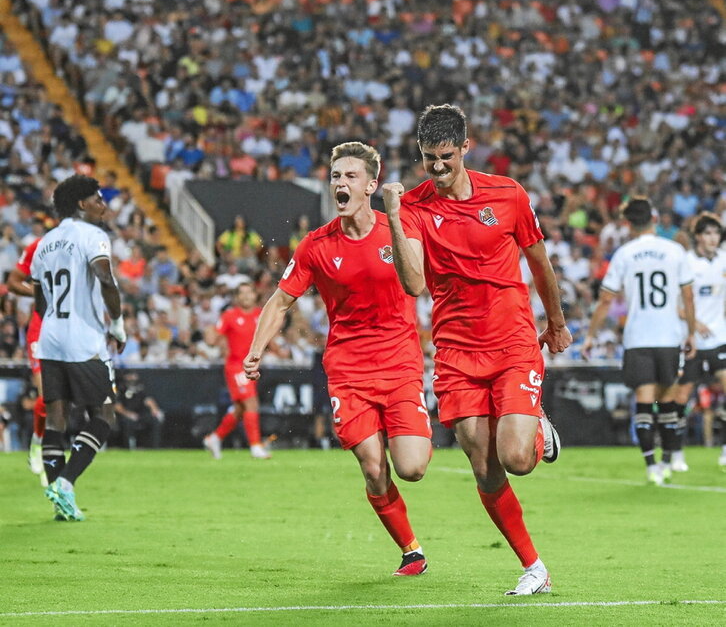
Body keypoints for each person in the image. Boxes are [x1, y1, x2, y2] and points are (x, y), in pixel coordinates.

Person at [382, 104, 571, 595]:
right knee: (484, 466)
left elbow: (539, 261)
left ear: (466, 148)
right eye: (428, 159)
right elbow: (414, 282)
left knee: (516, 459)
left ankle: (535, 427)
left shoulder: (507, 195)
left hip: (511, 342)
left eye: (446, 156)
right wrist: (398, 219)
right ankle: (535, 567)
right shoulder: (418, 207)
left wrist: (556, 322)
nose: (438, 167)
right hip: (456, 354)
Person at [244, 141, 432, 576]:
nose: (340, 183)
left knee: (412, 467)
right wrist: (257, 351)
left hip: (400, 363)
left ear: (371, 185)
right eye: (335, 176)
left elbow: (417, 284)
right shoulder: (315, 246)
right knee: (372, 466)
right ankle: (411, 550)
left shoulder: (398, 230)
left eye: (350, 176)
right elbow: (279, 302)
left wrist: (399, 218)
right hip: (348, 371)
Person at [30, 174, 127, 521]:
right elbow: (104, 278)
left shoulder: (45, 243)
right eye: (99, 199)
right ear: (82, 204)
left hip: (51, 336)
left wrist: (56, 319)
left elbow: (40, 300)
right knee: (103, 415)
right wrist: (116, 323)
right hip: (83, 339)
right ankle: (67, 483)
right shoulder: (93, 236)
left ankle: (60, 501)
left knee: (56, 420)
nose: (104, 205)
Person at [582, 197, 696, 485]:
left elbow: (606, 298)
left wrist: (591, 336)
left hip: (638, 339)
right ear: (654, 220)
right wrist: (691, 332)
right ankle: (668, 461)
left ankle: (651, 467)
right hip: (670, 336)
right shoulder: (675, 251)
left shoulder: (624, 253)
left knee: (644, 403)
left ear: (629, 224)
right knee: (668, 402)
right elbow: (688, 296)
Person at [672, 212, 726, 471]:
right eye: (708, 233)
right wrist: (695, 323)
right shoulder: (687, 263)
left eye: (716, 233)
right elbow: (676, 305)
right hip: (691, 340)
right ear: (698, 237)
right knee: (682, 397)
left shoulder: (724, 260)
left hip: (719, 338)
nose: (713, 238)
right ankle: (676, 452)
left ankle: (725, 449)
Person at [203, 281, 270, 460]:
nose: (247, 296)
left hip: (252, 366)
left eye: (249, 292)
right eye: (243, 293)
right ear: (237, 297)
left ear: (255, 295)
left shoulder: (260, 314)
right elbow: (214, 336)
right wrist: (210, 337)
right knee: (251, 403)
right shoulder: (229, 316)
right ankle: (255, 446)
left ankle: (215, 438)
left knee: (241, 408)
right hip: (236, 367)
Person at [7, 235, 47, 486]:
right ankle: (38, 445)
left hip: (71, 331)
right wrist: (40, 293)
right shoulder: (40, 245)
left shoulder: (87, 244)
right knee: (49, 394)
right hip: (41, 329)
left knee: (65, 400)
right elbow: (13, 282)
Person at [114, 371, 164, 449]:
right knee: (126, 423)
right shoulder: (119, 388)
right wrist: (128, 414)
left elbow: (148, 400)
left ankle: (154, 448)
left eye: (133, 376)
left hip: (140, 414)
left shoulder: (140, 387)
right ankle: (128, 448)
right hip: (125, 415)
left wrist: (155, 410)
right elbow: (117, 406)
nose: (132, 378)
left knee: (154, 420)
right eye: (129, 376)